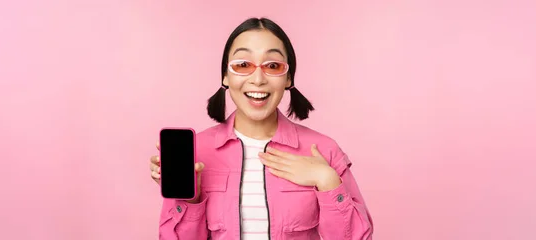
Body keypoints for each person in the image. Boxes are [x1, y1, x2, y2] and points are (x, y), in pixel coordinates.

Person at [149, 17, 373, 240]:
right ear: (225, 76)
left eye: (273, 66)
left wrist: (327, 181)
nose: (258, 79)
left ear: (288, 78)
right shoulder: (196, 153)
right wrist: (190, 200)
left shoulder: (324, 149)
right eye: (243, 65)